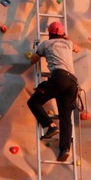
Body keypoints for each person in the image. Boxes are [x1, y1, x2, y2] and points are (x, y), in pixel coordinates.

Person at [27, 21, 79, 161]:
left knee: (33, 102)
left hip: (59, 78)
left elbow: (33, 60)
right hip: (72, 83)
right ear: (62, 34)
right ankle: (65, 149)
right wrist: (67, 38)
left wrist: (37, 51)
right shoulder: (68, 44)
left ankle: (50, 125)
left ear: (49, 33)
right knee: (65, 118)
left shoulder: (46, 44)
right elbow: (78, 49)